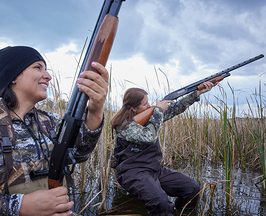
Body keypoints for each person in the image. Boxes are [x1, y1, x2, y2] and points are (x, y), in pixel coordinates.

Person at [0, 46, 109, 216]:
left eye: (47, 69)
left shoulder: (49, 121)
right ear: (12, 76)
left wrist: (96, 109)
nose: (48, 76)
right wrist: (19, 206)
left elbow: (78, 154)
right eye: (37, 67)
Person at [111, 82, 216, 216]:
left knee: (192, 188)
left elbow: (175, 109)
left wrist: (197, 93)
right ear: (133, 108)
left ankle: (181, 213)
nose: (149, 106)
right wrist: (158, 110)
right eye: (145, 104)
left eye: (148, 102)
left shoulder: (150, 116)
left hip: (154, 169)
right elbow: (149, 137)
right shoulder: (123, 125)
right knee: (161, 203)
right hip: (132, 172)